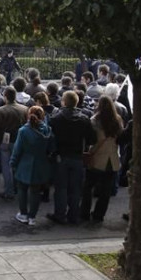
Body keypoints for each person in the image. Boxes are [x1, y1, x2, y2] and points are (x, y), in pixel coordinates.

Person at [47, 91, 95, 224]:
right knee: (75, 188)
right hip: (78, 156)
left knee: (61, 187)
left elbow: (50, 138)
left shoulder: (55, 119)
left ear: (64, 102)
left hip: (61, 156)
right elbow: (92, 138)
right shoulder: (84, 119)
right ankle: (73, 215)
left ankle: (59, 214)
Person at [80, 96, 123, 223]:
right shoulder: (118, 120)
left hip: (97, 158)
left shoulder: (94, 120)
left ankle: (84, 212)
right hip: (112, 159)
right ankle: (99, 215)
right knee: (106, 191)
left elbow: (91, 140)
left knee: (88, 186)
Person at [0, 86, 29, 200]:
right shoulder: (24, 109)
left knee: (6, 166)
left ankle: (9, 191)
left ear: (5, 96)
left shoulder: (0, 110)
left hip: (5, 140)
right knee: (17, 165)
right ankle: (18, 188)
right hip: (19, 140)